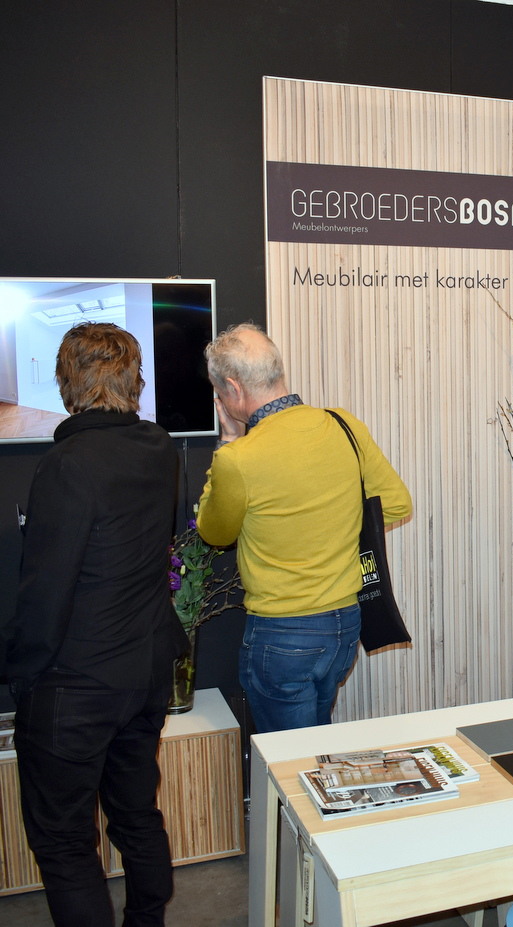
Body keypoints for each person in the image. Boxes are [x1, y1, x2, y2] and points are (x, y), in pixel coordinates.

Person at [1, 322, 185, 927]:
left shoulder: (66, 464)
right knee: (137, 814)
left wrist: (20, 675)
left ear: (66, 382)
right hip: (146, 671)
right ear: (135, 380)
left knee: (63, 841)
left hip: (76, 686)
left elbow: (45, 592)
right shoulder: (160, 448)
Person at [197, 322, 411, 733]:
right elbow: (397, 502)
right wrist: (335, 522)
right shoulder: (343, 425)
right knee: (313, 749)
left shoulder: (238, 458)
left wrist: (228, 442)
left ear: (233, 388)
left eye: (219, 393)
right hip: (345, 625)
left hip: (282, 633)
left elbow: (214, 532)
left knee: (289, 760)